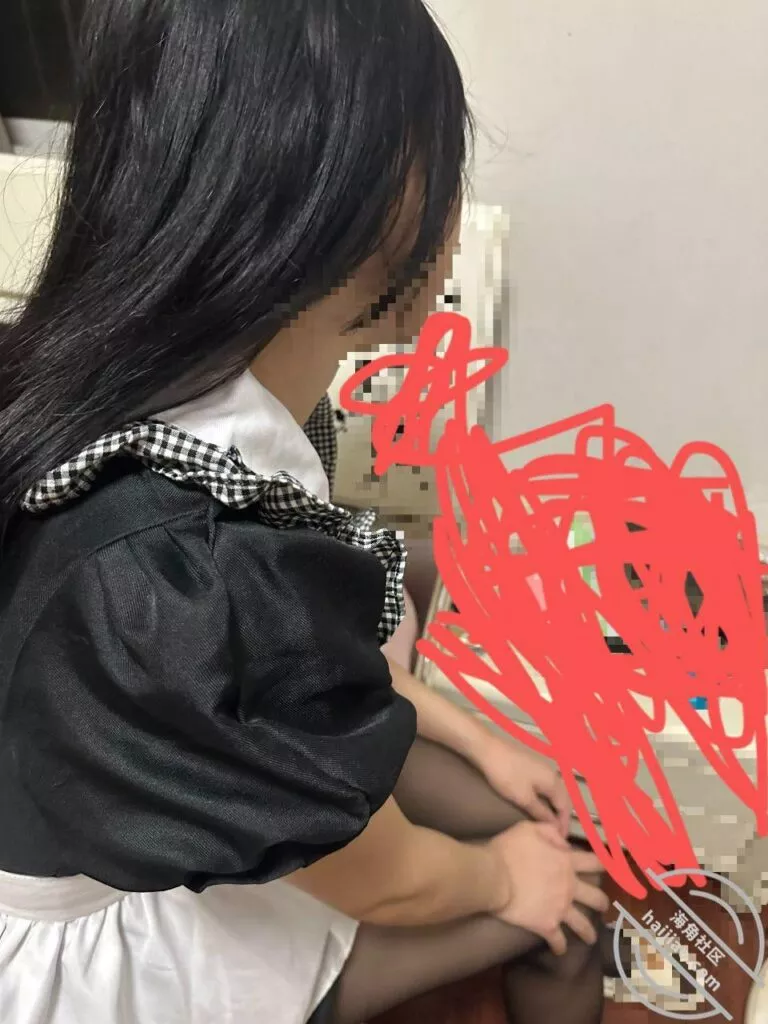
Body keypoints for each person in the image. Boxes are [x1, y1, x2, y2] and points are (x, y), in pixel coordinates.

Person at [0, 2, 613, 1022]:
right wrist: (507, 878)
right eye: (443, 170)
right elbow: (382, 877)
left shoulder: (124, 400)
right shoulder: (189, 561)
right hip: (109, 955)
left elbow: (285, 677)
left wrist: (486, 745)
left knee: (531, 826)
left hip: (143, 808)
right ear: (364, 200)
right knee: (573, 903)